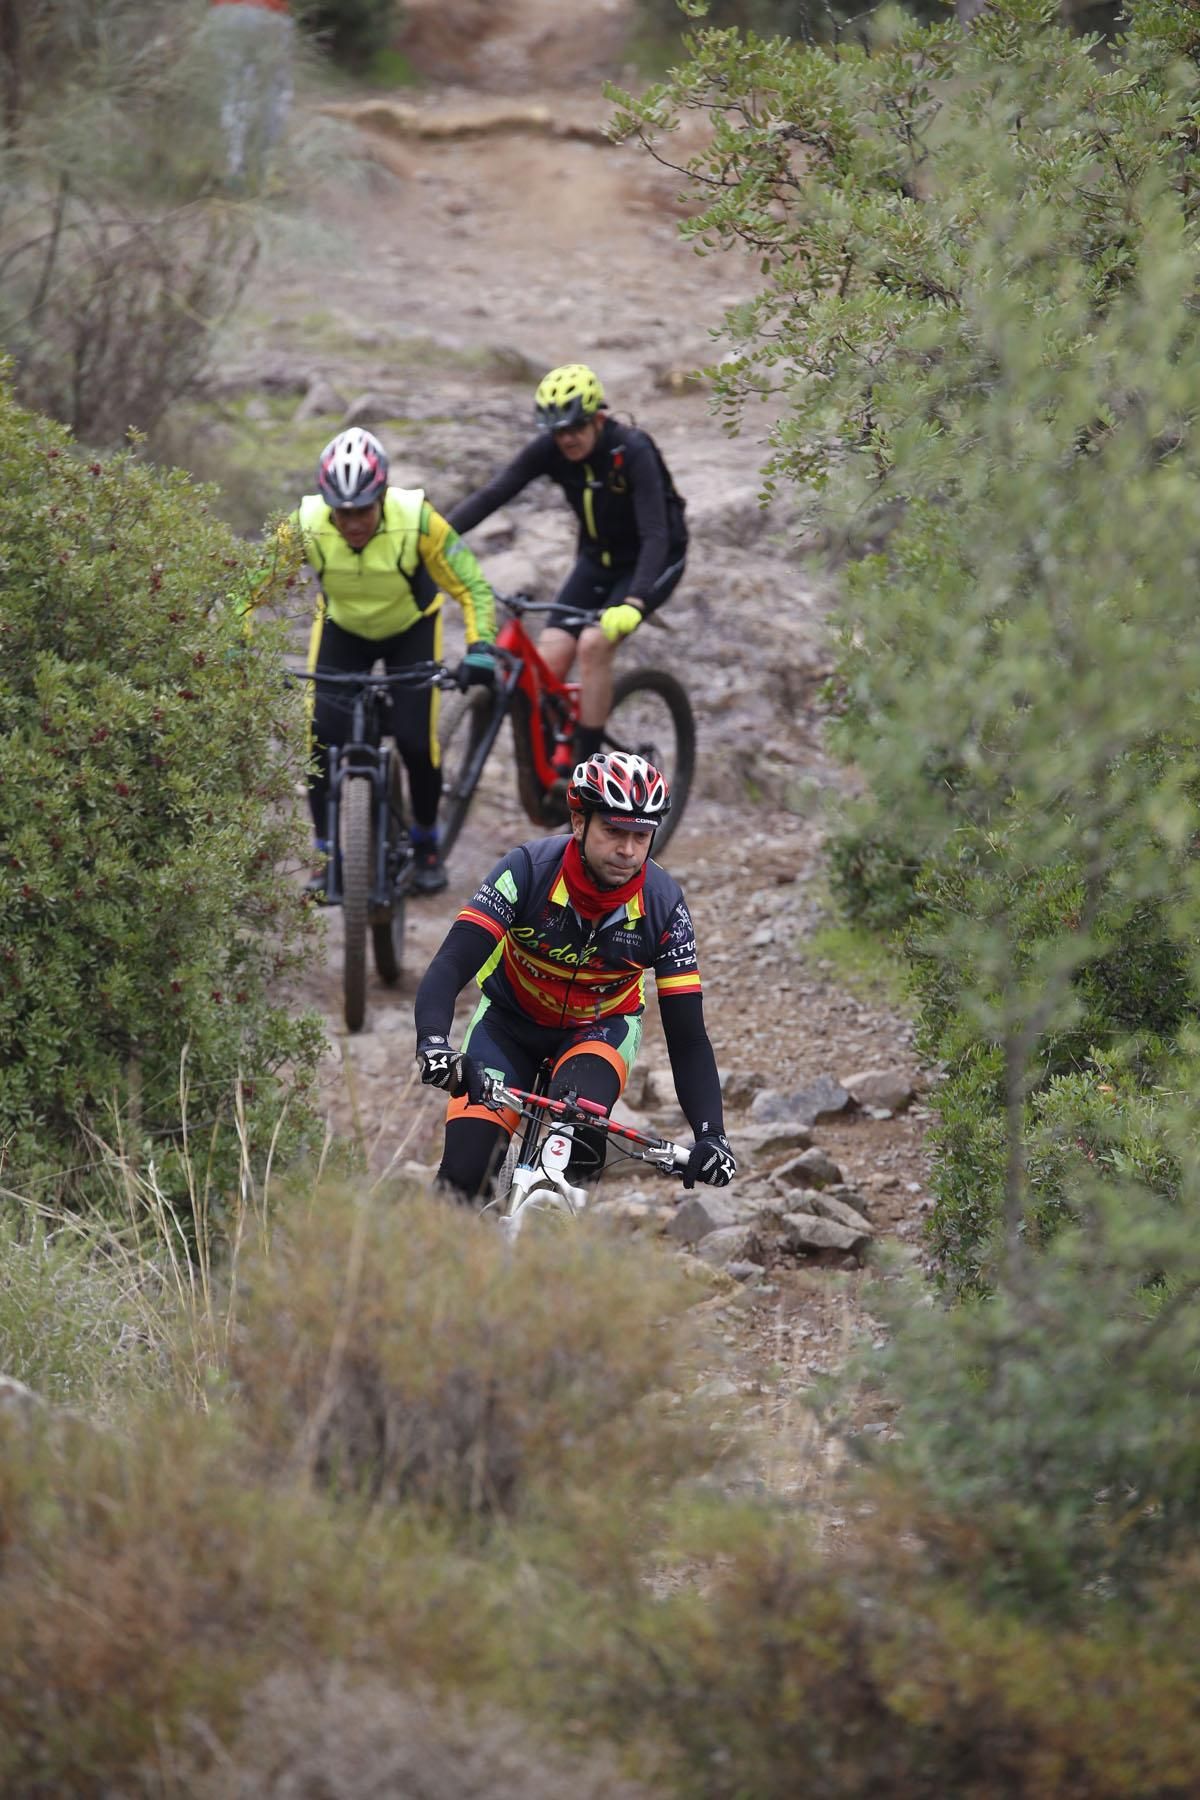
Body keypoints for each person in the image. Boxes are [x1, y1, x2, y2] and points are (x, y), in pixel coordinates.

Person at [413, 750, 735, 1204]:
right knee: (462, 1177)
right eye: (614, 831)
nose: (627, 850)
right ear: (579, 822)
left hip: (598, 1032)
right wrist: (432, 1042)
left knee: (576, 1155)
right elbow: (450, 965)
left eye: (641, 836)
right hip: (508, 1022)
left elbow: (688, 1038)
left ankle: (556, 1261)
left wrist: (712, 1134)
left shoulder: (664, 906)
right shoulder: (525, 871)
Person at [287, 428, 498, 895]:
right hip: (342, 629)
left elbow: (471, 585)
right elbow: (250, 583)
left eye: (362, 509)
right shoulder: (305, 523)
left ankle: (425, 840)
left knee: (415, 741)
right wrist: (233, 643)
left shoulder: (417, 519)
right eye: (342, 512)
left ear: (381, 496)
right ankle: (323, 855)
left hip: (410, 629)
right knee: (320, 736)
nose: (353, 522)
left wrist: (481, 646)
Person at [447, 365, 687, 771]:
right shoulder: (552, 449)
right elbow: (493, 495)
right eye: (557, 431)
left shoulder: (631, 450)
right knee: (549, 660)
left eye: (574, 427)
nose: (566, 439)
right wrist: (435, 535)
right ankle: (550, 763)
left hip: (652, 562)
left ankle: (585, 766)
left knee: (594, 645)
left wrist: (634, 601)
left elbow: (655, 533)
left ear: (597, 418)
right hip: (596, 561)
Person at [204, 0, 294, 189]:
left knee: (231, 90)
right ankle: (265, 169)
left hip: (226, 12)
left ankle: (232, 167)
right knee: (273, 93)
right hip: (272, 13)